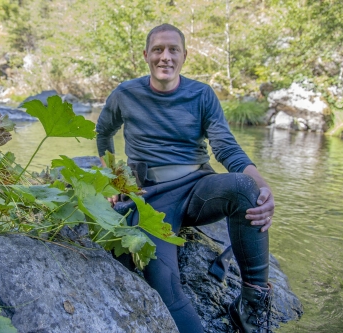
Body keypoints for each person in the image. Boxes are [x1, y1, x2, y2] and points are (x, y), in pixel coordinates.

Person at [96, 23, 274, 333]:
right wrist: (113, 177)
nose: (165, 56)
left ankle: (251, 306)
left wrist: (261, 184)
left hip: (198, 189)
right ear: (146, 55)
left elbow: (225, 147)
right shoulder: (124, 94)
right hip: (152, 200)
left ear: (184, 56)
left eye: (172, 50)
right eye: (158, 50)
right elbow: (103, 133)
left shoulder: (202, 94)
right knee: (163, 282)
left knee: (246, 188)